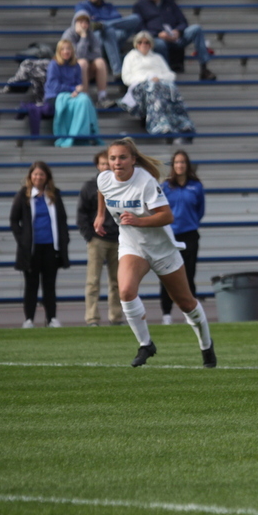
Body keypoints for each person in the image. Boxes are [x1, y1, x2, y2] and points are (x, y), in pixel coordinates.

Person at [94, 137, 216, 368]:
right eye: (112, 158)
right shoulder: (104, 178)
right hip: (132, 246)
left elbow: (167, 216)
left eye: (122, 157)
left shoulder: (146, 182)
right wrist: (100, 215)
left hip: (161, 248)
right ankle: (146, 344)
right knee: (127, 292)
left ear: (132, 160)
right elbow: (102, 190)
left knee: (186, 302)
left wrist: (139, 221)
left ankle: (206, 345)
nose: (117, 162)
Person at [9, 162, 70, 328]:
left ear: (47, 177)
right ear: (30, 176)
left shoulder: (54, 194)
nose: (38, 177)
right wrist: (22, 240)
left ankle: (51, 319)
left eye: (41, 174)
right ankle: (29, 319)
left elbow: (62, 220)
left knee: (49, 285)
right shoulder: (23, 195)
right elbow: (14, 220)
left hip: (51, 247)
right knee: (31, 285)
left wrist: (64, 241)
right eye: (35, 174)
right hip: (31, 249)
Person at [119, 31, 195, 142]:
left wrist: (157, 78)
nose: (143, 45)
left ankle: (184, 124)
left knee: (172, 89)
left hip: (160, 84)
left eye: (146, 42)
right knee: (154, 89)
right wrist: (148, 79)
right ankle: (162, 126)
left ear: (150, 44)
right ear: (136, 44)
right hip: (140, 88)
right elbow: (126, 78)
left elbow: (170, 75)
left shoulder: (157, 57)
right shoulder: (130, 57)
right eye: (140, 42)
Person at [77, 150, 123, 327]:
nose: (105, 167)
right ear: (97, 165)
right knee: (93, 281)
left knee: (117, 282)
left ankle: (116, 317)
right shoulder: (89, 186)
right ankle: (92, 317)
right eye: (102, 164)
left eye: (108, 164)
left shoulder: (120, 184)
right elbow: (81, 213)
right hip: (98, 240)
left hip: (118, 239)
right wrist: (89, 236)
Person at [159, 150, 205, 325]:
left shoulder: (196, 186)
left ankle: (192, 313)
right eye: (177, 162)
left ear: (187, 165)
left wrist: (190, 223)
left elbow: (200, 211)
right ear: (173, 165)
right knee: (167, 274)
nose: (180, 165)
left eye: (183, 162)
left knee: (189, 274)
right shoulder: (165, 187)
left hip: (190, 235)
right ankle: (166, 314)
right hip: (169, 236)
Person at [133, 0, 216, 81]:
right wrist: (158, 34)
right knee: (160, 44)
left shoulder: (169, 2)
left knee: (196, 29)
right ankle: (165, 73)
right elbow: (140, 29)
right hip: (156, 38)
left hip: (175, 37)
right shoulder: (139, 6)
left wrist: (177, 31)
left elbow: (183, 22)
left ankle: (204, 69)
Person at [45, 39, 103, 147]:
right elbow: (53, 85)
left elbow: (79, 84)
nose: (66, 51)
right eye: (63, 49)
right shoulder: (54, 64)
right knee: (81, 101)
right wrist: (72, 89)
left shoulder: (76, 65)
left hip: (73, 94)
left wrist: (76, 90)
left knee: (85, 100)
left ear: (72, 50)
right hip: (56, 95)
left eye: (68, 49)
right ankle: (74, 136)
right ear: (59, 51)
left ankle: (83, 135)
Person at [75, 0, 142, 79]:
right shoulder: (82, 6)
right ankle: (117, 70)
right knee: (108, 31)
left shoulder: (109, 6)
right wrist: (105, 26)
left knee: (136, 18)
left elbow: (119, 21)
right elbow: (84, 24)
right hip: (96, 40)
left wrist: (102, 24)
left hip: (114, 36)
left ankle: (104, 25)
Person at [61, 11, 114, 109]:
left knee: (100, 62)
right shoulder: (68, 35)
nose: (84, 24)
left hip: (88, 70)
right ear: (75, 22)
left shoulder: (91, 34)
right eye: (81, 21)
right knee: (82, 63)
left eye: (86, 21)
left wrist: (85, 54)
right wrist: (83, 37)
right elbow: (76, 56)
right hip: (71, 72)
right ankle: (84, 97)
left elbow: (98, 53)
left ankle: (102, 97)